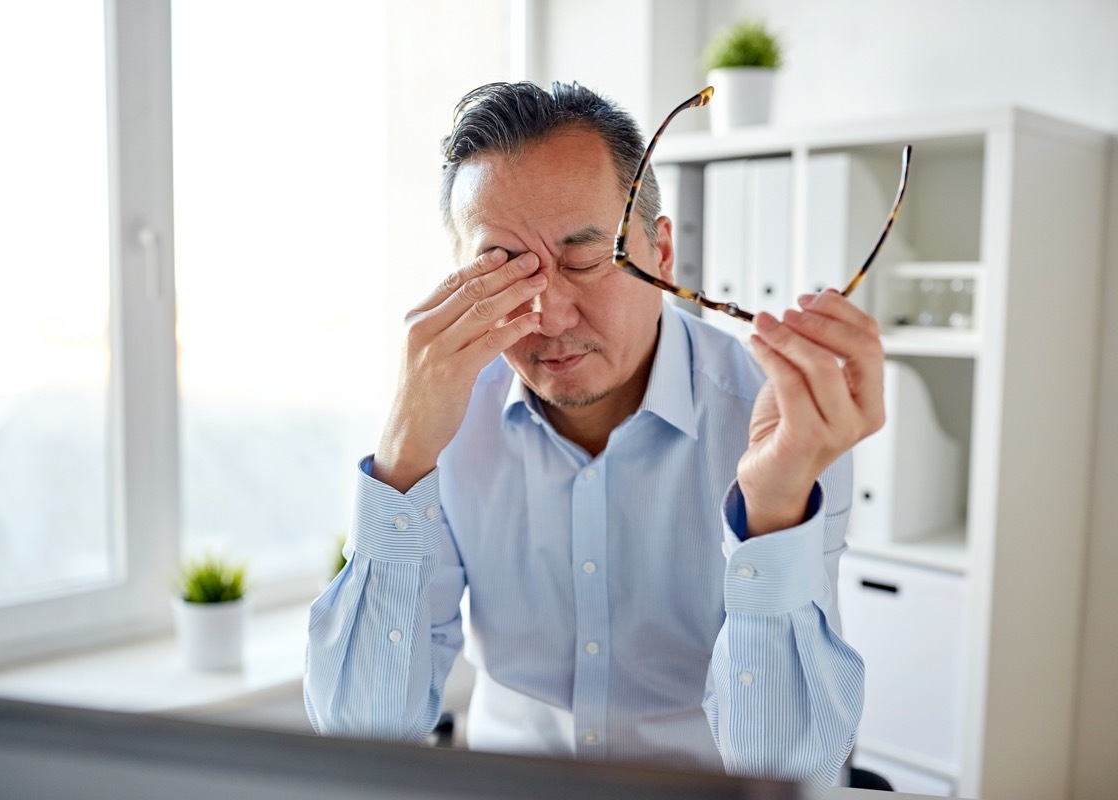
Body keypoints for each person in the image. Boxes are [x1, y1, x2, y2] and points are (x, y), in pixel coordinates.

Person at [304, 80, 883, 787]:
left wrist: (771, 509)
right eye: (503, 271)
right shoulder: (444, 418)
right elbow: (362, 736)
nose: (548, 316)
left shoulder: (780, 425)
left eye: (583, 258)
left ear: (662, 253)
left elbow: (789, 767)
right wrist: (401, 462)